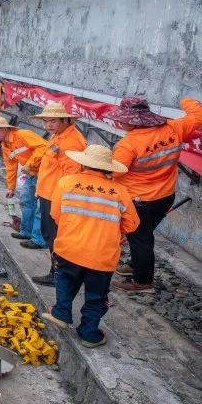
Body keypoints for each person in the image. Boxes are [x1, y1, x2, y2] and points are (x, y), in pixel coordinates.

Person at [110, 96, 202, 293]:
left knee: (140, 239)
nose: (119, 121)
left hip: (138, 201)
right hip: (165, 196)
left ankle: (142, 281)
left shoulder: (127, 144)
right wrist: (187, 100)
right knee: (145, 235)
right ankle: (136, 265)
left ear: (132, 120)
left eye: (122, 118)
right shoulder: (174, 128)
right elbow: (199, 114)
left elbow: (114, 173)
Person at [42, 145, 139, 347]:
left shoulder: (66, 182)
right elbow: (132, 224)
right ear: (109, 168)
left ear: (82, 163)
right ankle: (89, 334)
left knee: (65, 282)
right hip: (101, 255)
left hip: (69, 248)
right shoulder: (120, 191)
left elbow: (56, 215)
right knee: (96, 296)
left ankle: (61, 313)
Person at [32, 102, 87, 286]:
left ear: (66, 120)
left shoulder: (72, 142)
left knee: (55, 236)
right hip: (49, 193)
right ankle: (56, 272)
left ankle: (58, 274)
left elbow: (71, 176)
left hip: (56, 197)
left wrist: (61, 201)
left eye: (53, 121)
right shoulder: (60, 136)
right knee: (50, 234)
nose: (48, 125)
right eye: (46, 121)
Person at [0, 116, 49, 248]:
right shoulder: (5, 146)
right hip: (31, 174)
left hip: (44, 174)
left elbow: (43, 147)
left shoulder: (22, 135)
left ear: (6, 129)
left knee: (41, 208)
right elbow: (11, 167)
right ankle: (26, 232)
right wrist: (10, 188)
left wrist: (29, 164)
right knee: (25, 200)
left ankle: (38, 239)